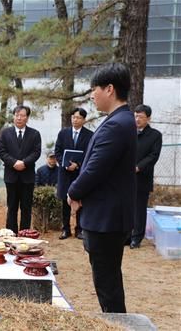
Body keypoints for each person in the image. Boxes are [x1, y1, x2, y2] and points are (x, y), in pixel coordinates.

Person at [67, 63, 136, 313]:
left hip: (107, 217)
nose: (92, 95)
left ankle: (117, 324)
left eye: (94, 89)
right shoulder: (119, 120)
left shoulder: (117, 124)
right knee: (107, 280)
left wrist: (73, 192)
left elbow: (95, 168)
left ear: (109, 89)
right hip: (107, 215)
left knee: (107, 283)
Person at [0, 105, 41, 234]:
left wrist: (24, 162)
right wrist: (14, 162)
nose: (19, 118)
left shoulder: (34, 134)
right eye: (17, 115)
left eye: (22, 115)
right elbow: (2, 151)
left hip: (27, 176)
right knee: (11, 207)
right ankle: (11, 234)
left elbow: (36, 152)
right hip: (11, 175)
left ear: (27, 118)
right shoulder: (5, 133)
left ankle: (24, 234)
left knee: (26, 208)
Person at [55, 108, 93, 240]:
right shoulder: (63, 133)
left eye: (78, 118)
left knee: (81, 201)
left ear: (84, 120)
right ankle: (65, 229)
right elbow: (58, 152)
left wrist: (78, 164)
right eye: (73, 117)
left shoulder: (89, 135)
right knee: (65, 202)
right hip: (65, 173)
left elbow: (90, 154)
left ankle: (80, 229)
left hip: (81, 173)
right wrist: (65, 164)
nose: (75, 120)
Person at [131, 105, 162, 249]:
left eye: (141, 117)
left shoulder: (155, 135)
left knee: (139, 208)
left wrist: (139, 167)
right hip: (125, 177)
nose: (137, 119)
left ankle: (136, 238)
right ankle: (125, 235)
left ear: (148, 118)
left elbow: (153, 156)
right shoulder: (128, 132)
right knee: (125, 207)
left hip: (142, 176)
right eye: (135, 116)